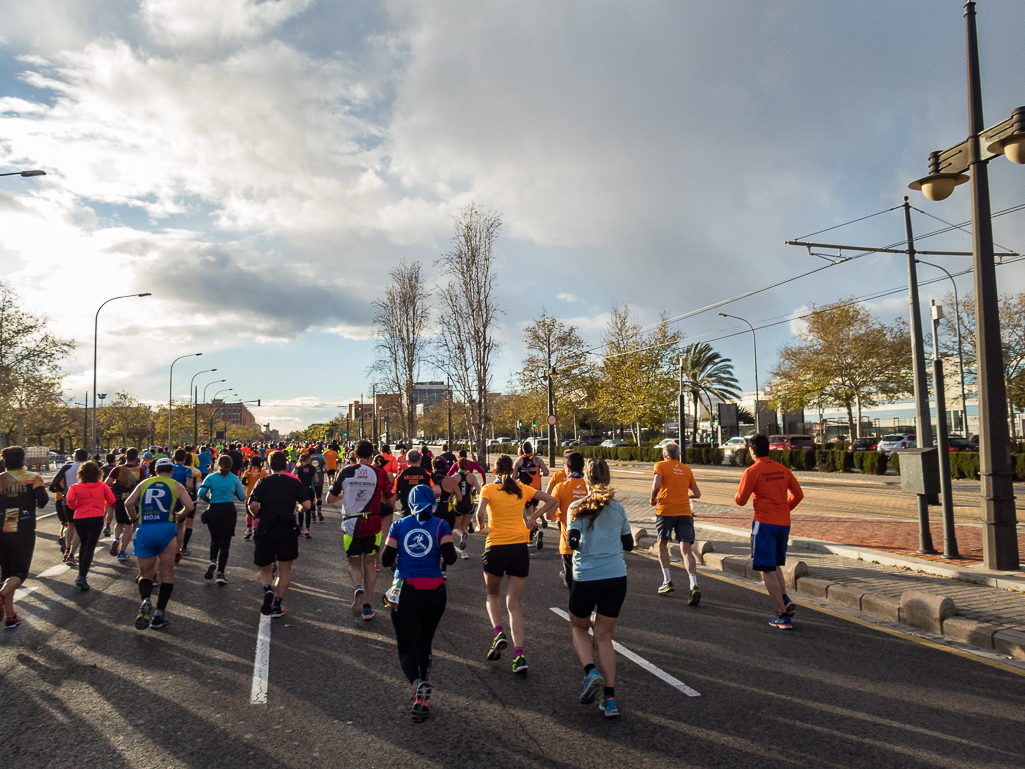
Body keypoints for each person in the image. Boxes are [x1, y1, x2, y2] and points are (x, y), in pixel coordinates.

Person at [381, 485, 458, 723]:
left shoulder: (398, 525)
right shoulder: (441, 525)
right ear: (430, 501)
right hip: (435, 592)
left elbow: (385, 560)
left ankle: (417, 685)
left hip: (406, 591)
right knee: (424, 642)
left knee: (406, 647)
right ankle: (422, 697)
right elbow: (452, 558)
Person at [476, 454, 556, 673]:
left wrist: (481, 526)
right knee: (514, 605)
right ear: (513, 470)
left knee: (492, 595)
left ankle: (499, 633)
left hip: (496, 548)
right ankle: (519, 656)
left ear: (494, 471)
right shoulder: (521, 488)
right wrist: (534, 517)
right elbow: (552, 500)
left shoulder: (489, 489)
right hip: (519, 549)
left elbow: (480, 512)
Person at [566, 458, 633, 718]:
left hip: (586, 577)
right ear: (608, 478)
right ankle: (610, 698)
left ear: (586, 478)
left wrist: (583, 539)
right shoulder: (618, 509)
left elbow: (572, 542)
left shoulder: (577, 507)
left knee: (578, 627)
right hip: (616, 577)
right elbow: (628, 544)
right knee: (604, 636)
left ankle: (590, 671)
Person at [734, 434, 804, 629]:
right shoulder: (782, 469)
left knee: (766, 569)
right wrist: (784, 509)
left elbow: (740, 500)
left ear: (752, 450)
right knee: (774, 565)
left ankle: (782, 615)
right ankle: (784, 599)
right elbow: (798, 494)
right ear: (769, 449)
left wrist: (737, 495)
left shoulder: (752, 471)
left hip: (764, 524)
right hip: (783, 524)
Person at [327, 440, 395, 621]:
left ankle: (357, 586)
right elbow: (391, 502)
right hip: (372, 522)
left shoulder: (346, 471)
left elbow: (329, 499)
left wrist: (346, 494)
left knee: (354, 563)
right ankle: (367, 606)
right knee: (370, 564)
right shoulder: (380, 473)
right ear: (372, 455)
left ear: (355, 455)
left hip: (351, 524)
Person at [124, 458, 194, 629]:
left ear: (155, 471)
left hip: (145, 529)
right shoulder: (176, 485)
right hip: (166, 529)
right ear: (171, 471)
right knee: (167, 575)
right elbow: (190, 506)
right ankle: (159, 614)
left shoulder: (145, 483)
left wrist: (134, 519)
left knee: (145, 575)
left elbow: (128, 503)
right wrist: (178, 515)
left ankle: (146, 599)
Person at [248, 450, 311, 618]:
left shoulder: (262, 482)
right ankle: (277, 605)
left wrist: (258, 515)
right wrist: (298, 508)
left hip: (266, 528)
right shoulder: (294, 482)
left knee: (263, 568)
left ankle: (267, 588)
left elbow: (252, 504)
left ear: (269, 466)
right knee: (285, 570)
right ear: (286, 465)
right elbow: (306, 504)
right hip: (287, 529)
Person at [0, 446, 49, 629]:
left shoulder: (0, 479)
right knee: (20, 572)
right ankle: (2, 595)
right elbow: (43, 501)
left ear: (5, 462)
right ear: (23, 460)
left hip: (2, 525)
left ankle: (10, 616)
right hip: (23, 525)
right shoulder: (33, 478)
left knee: (7, 572)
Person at [650, 441, 701, 601]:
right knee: (686, 550)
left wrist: (653, 498)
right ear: (678, 454)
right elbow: (697, 493)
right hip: (685, 512)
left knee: (662, 544)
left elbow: (656, 484)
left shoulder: (660, 465)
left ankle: (667, 581)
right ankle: (693, 584)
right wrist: (684, 496)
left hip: (666, 511)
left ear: (664, 455)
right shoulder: (686, 469)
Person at [65, 461, 116, 591]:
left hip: (80, 517)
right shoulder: (102, 486)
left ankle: (81, 574)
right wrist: (102, 503)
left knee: (84, 544)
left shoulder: (75, 487)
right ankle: (82, 575)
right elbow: (111, 500)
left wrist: (75, 507)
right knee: (90, 546)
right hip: (96, 517)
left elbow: (70, 499)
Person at [199, 454, 247, 584]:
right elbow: (243, 498)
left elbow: (201, 493)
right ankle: (220, 573)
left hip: (214, 509)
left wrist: (209, 500)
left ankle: (212, 561)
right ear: (230, 466)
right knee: (225, 543)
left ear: (217, 464)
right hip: (228, 510)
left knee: (215, 539)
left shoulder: (210, 477)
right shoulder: (234, 479)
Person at [548, 451, 589, 589]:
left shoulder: (561, 487)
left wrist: (558, 513)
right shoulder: (590, 486)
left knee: (573, 587)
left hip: (569, 544)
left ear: (568, 468)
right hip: (590, 543)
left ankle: (580, 609)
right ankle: (590, 609)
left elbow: (549, 515)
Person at [107, 447, 145, 563]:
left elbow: (107, 483)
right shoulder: (140, 471)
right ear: (137, 458)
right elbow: (143, 486)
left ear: (125, 457)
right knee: (129, 526)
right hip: (133, 501)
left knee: (119, 523)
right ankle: (122, 552)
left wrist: (117, 483)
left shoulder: (117, 469)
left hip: (119, 500)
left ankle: (116, 538)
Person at [50, 449, 86, 564]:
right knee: (81, 527)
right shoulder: (89, 467)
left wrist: (63, 491)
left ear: (75, 456)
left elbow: (55, 482)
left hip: (68, 499)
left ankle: (67, 549)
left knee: (71, 524)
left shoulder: (67, 467)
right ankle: (72, 553)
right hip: (84, 500)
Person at [513, 442, 549, 549]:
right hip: (536, 489)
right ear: (531, 449)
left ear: (523, 450)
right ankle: (535, 533)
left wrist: (521, 474)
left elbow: (513, 476)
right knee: (533, 512)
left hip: (525, 490)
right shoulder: (537, 460)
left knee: (528, 515)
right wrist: (539, 473)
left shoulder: (519, 461)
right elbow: (546, 472)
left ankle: (533, 536)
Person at [429, 456, 462, 568]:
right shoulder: (450, 480)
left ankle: (433, 565)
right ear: (446, 466)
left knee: (432, 540)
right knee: (446, 541)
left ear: (433, 466)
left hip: (432, 514)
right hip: (447, 514)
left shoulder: (428, 479)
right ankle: (443, 569)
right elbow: (460, 498)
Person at [451, 458, 481, 559]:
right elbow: (479, 490)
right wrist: (472, 491)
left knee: (456, 528)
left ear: (458, 466)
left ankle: (460, 537)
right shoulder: (471, 476)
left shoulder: (455, 477)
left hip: (458, 504)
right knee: (465, 528)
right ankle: (464, 552)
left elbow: (450, 491)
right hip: (469, 504)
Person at [173, 449, 198, 556]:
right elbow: (190, 485)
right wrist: (185, 492)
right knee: (180, 526)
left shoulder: (170, 469)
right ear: (184, 459)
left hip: (169, 499)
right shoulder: (187, 471)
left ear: (174, 458)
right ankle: (177, 551)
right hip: (180, 500)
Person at [394, 450, 432, 518]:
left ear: (407, 461)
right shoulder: (427, 473)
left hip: (406, 511)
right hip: (424, 510)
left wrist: (402, 494)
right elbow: (437, 491)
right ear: (420, 459)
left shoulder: (400, 474)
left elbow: (393, 495)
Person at [294, 453, 318, 538]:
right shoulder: (312, 468)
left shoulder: (298, 468)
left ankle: (300, 528)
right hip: (310, 489)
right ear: (308, 459)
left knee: (301, 509)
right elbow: (316, 479)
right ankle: (307, 529)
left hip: (301, 489)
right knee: (308, 509)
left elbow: (294, 477)